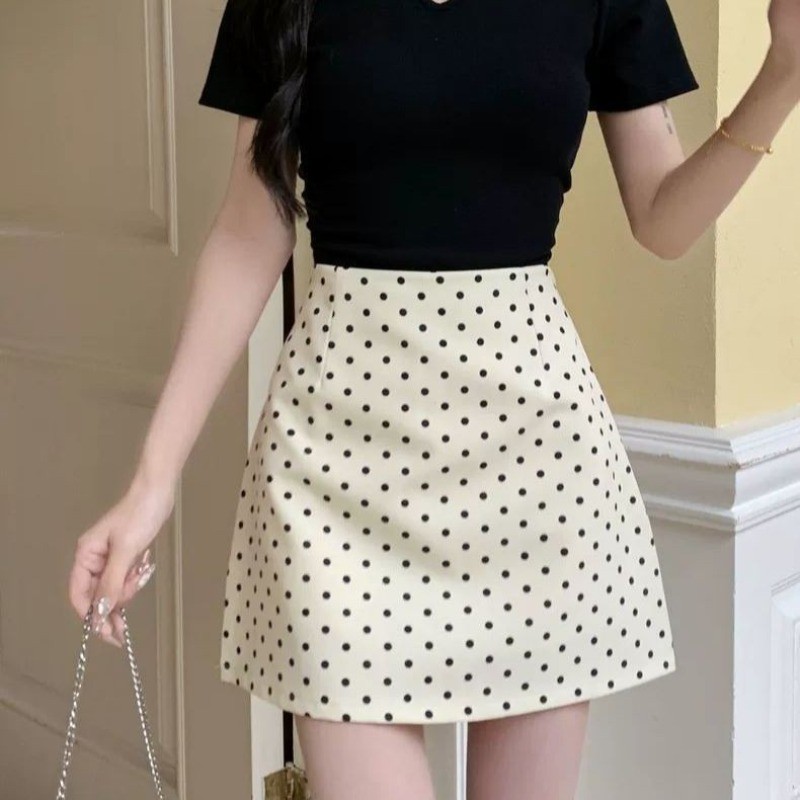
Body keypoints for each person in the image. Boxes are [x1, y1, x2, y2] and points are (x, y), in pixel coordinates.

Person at [68, 0, 800, 796]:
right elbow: (252, 231)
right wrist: (152, 482)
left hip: (536, 468)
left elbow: (664, 220)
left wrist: (783, 73)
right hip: (336, 472)